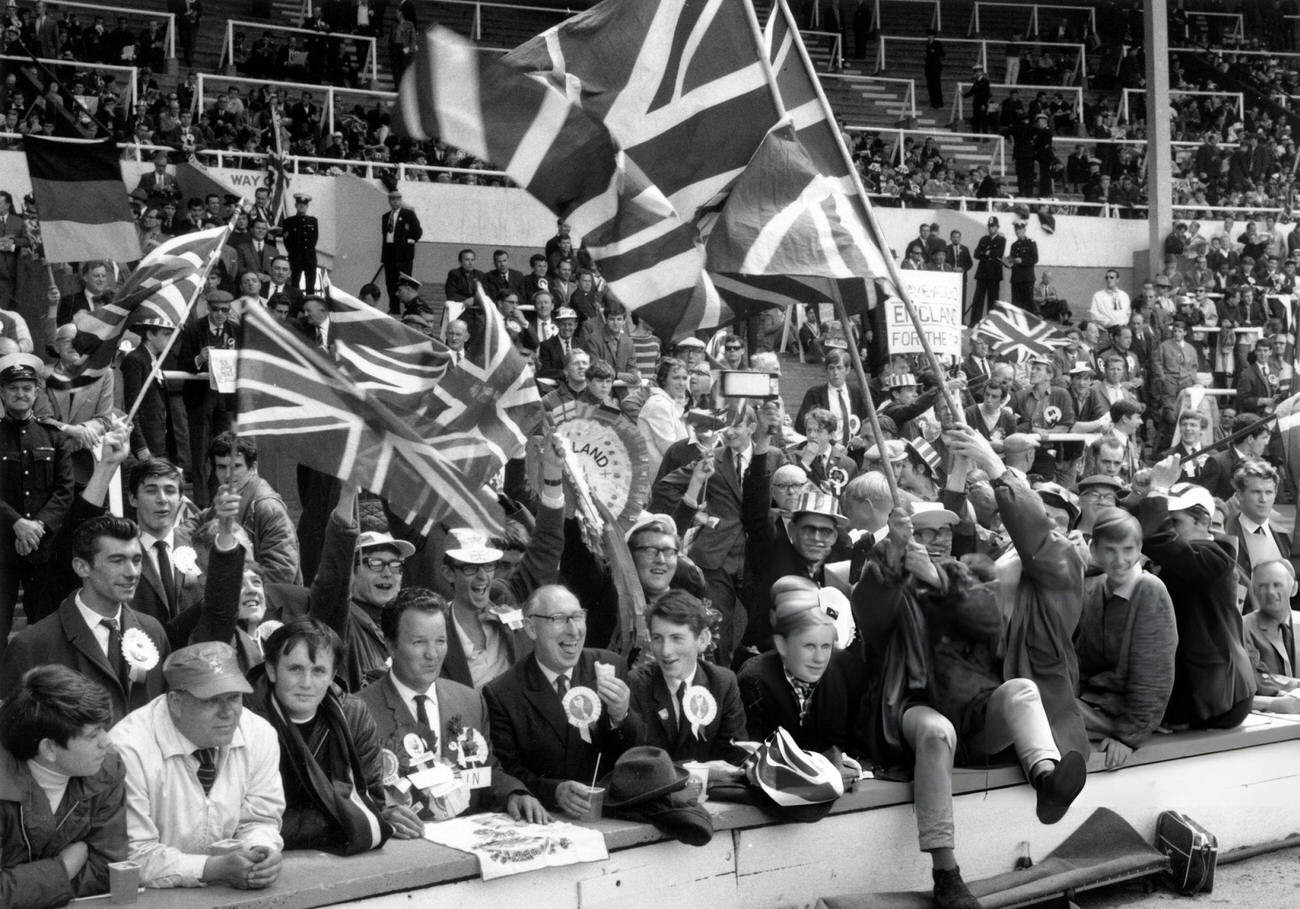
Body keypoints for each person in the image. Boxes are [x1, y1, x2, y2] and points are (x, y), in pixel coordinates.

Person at [357, 588, 549, 822]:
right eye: (419, 642)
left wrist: (514, 793)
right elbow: (351, 794)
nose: (433, 654)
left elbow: (486, 771)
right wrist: (380, 816)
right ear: (391, 645)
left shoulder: (470, 701)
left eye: (441, 641)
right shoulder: (359, 711)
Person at [108, 642, 284, 889]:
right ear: (176, 703)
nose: (228, 712)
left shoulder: (259, 733)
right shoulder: (127, 748)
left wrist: (260, 852)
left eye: (234, 697)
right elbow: (134, 855)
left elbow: (261, 819)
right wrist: (211, 869)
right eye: (211, 700)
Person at [248, 618, 416, 852]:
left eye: (318, 671)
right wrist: (352, 820)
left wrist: (380, 814)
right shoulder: (246, 720)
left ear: (332, 675)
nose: (306, 683)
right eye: (295, 669)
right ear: (271, 670)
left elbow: (372, 800)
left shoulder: (352, 714)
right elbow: (247, 822)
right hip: (262, 852)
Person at [483, 585, 644, 817]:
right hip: (547, 818)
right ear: (530, 628)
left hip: (608, 813)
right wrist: (555, 791)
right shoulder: (502, 693)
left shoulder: (611, 667)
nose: (574, 630)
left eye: (578, 617)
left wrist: (622, 717)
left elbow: (636, 753)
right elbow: (509, 772)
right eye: (559, 619)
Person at [0, 511, 171, 724]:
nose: (132, 572)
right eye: (117, 561)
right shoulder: (32, 645)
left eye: (136, 560)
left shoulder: (152, 631)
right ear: (82, 567)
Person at [1140, 462, 1257, 731]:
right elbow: (1143, 529)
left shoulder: (1214, 556)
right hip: (1204, 692)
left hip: (1220, 699)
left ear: (1204, 520)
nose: (1169, 528)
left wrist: (1158, 489)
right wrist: (1143, 491)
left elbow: (1156, 537)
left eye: (1175, 522)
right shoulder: (1192, 555)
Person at [0, 665, 125, 908]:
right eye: (93, 735)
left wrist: (24, 887)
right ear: (49, 749)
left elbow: (107, 871)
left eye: (104, 728)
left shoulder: (106, 768)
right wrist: (62, 869)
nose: (107, 742)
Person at [1077, 509, 1178, 769]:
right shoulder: (1096, 588)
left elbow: (1154, 676)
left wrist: (1128, 736)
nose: (1120, 560)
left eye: (1128, 549)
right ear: (1094, 549)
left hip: (1121, 717)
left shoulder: (1150, 590)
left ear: (1140, 549)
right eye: (1110, 550)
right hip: (1092, 706)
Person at [0, 351, 75, 638]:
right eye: (13, 388)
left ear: (36, 392)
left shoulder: (54, 436)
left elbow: (64, 490)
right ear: (2, 393)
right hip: (2, 546)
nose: (20, 394)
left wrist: (37, 527)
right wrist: (17, 523)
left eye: (27, 388)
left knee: (44, 629)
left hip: (42, 549)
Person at [629, 590, 749, 764]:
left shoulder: (723, 683)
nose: (665, 651)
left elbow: (736, 754)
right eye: (657, 638)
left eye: (677, 638)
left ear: (702, 640)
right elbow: (640, 764)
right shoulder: (637, 684)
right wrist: (702, 773)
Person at [190, 432, 300, 585]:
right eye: (222, 467)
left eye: (236, 466)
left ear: (253, 468)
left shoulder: (268, 508)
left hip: (262, 601)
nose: (228, 475)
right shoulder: (227, 496)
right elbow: (194, 524)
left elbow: (282, 573)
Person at [793, 349, 868, 446]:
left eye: (839, 368)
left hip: (854, 450)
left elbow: (866, 420)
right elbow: (800, 425)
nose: (835, 373)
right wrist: (829, 442)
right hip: (825, 449)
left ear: (848, 370)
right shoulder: (815, 394)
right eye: (831, 368)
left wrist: (860, 437)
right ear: (826, 370)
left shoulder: (857, 392)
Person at [637, 358, 691, 478]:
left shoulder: (670, 403)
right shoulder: (659, 404)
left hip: (672, 476)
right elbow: (671, 451)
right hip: (662, 480)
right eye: (676, 378)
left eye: (684, 378)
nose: (682, 383)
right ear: (664, 380)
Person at [380, 190, 422, 314]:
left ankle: (408, 308)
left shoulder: (408, 214)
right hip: (390, 252)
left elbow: (417, 231)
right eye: (392, 200)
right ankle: (394, 308)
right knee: (390, 283)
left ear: (401, 200)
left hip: (403, 254)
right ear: (389, 201)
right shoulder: (385, 216)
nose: (395, 202)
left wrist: (409, 242)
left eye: (397, 199)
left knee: (404, 283)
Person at [279, 193, 319, 292]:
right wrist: (294, 253)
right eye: (300, 204)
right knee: (294, 285)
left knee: (310, 286)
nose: (302, 206)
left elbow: (314, 238)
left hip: (310, 258)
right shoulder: (289, 221)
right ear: (295, 205)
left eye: (304, 205)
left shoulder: (313, 221)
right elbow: (287, 241)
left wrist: (307, 252)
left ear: (307, 206)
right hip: (296, 258)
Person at [970, 216, 1006, 326]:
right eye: (989, 227)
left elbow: (998, 253)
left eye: (993, 227)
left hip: (994, 274)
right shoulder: (983, 239)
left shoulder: (1001, 239)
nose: (991, 229)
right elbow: (976, 254)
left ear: (997, 227)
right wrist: (988, 253)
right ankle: (974, 322)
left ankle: (992, 324)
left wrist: (985, 253)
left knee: (993, 299)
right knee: (978, 299)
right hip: (982, 273)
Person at [1007, 221, 1039, 315]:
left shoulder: (1030, 243)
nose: (1018, 231)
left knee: (1028, 303)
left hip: (1027, 278)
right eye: (1016, 229)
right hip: (1016, 278)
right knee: (1016, 304)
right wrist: (1008, 262)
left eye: (1020, 229)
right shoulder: (1014, 245)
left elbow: (1035, 258)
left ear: (1025, 230)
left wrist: (1022, 261)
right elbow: (1012, 260)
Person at [924, 29, 945, 108]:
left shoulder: (937, 44)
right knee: (930, 86)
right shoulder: (927, 44)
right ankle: (933, 103)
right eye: (929, 36)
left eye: (932, 36)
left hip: (935, 68)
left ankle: (939, 103)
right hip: (929, 68)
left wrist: (935, 52)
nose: (930, 37)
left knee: (936, 85)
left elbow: (942, 54)